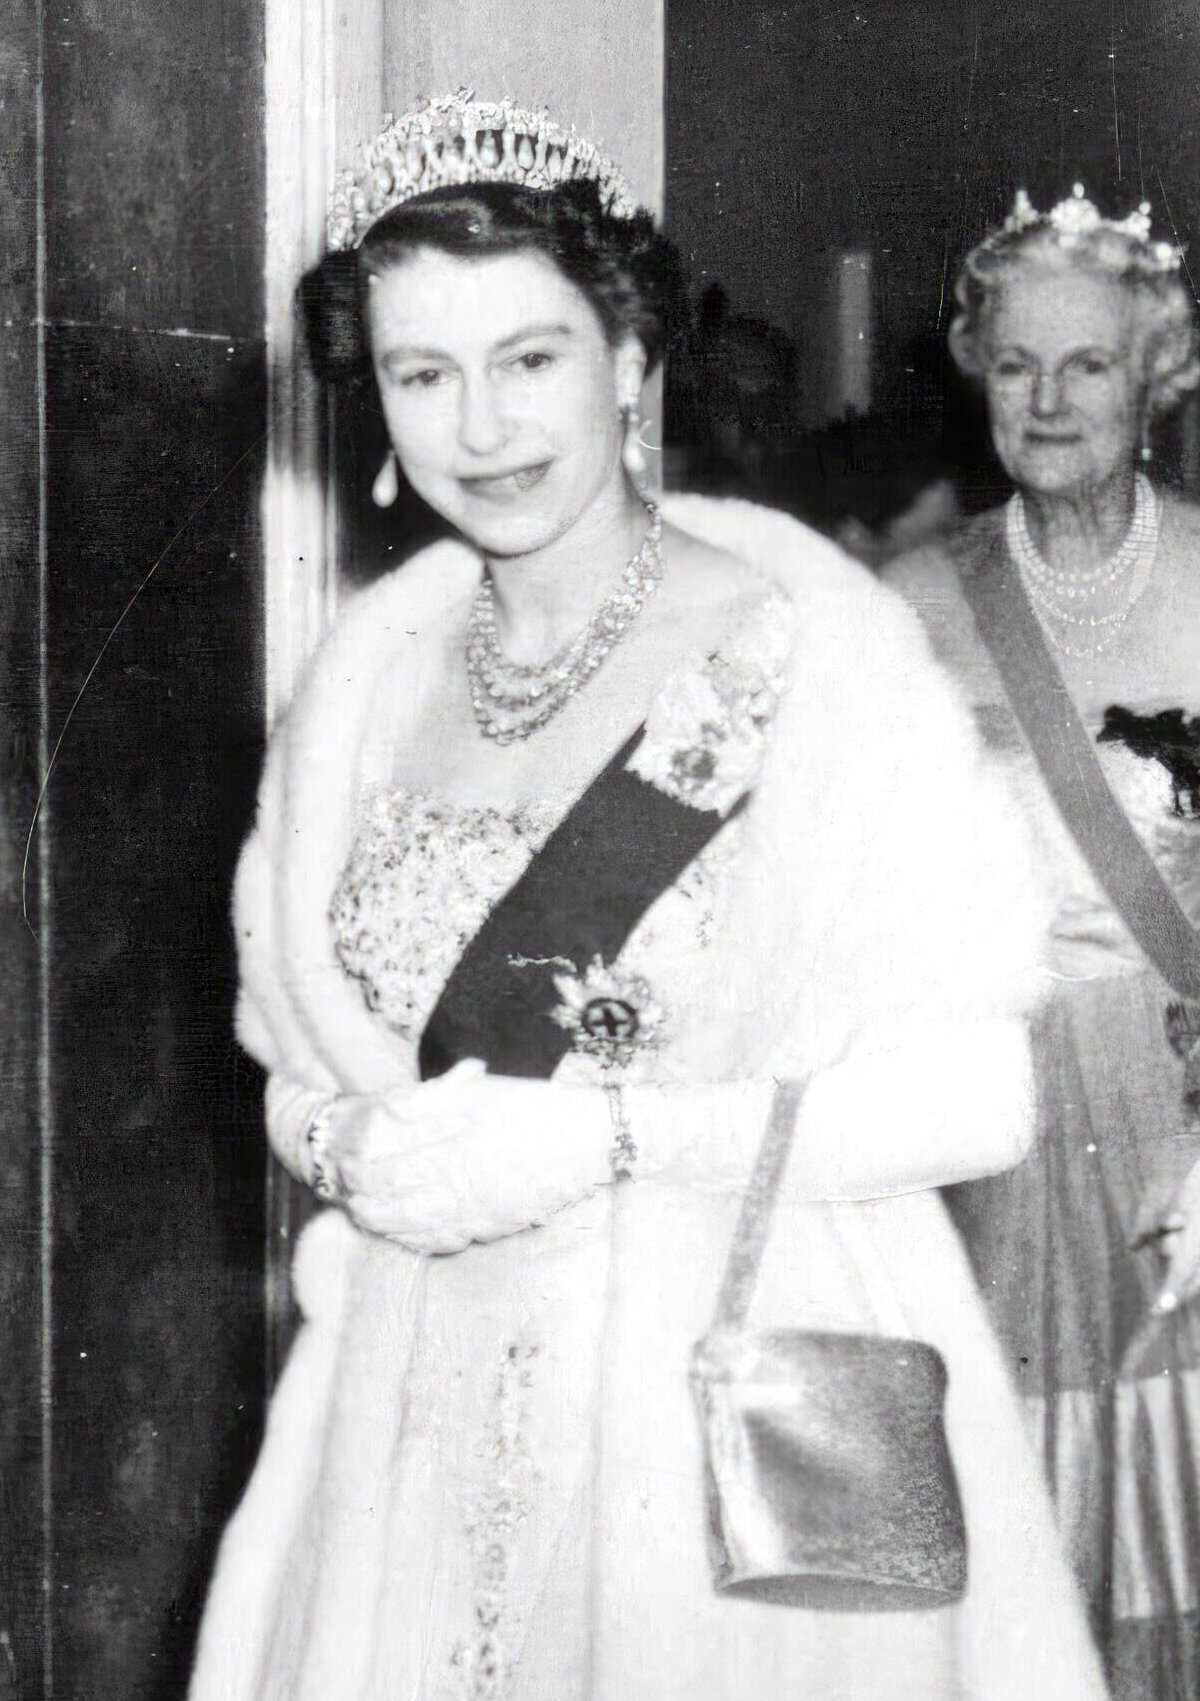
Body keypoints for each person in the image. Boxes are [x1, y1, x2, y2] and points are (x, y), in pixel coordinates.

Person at [187, 99, 1107, 1701]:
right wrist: (349, 1145)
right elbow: (300, 1058)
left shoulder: (805, 652)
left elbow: (981, 1095)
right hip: (411, 1416)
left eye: (528, 357)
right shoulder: (363, 686)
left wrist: (608, 1137)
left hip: (724, 1423)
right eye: (423, 373)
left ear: (626, 358)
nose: (479, 424)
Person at [886, 185, 1200, 1700]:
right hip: (990, 1147)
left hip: (1184, 1138)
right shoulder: (907, 608)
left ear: (1156, 378)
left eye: (1089, 365)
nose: (1053, 398)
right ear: (978, 375)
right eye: (1018, 365)